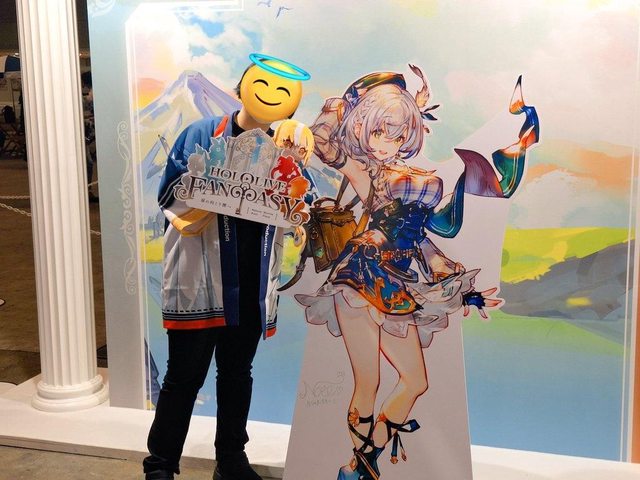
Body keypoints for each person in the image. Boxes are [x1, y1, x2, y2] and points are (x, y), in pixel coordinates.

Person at [295, 68, 539, 480]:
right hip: (359, 275)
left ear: (409, 134)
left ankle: (360, 463)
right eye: (378, 132)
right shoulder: (364, 171)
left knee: (414, 381)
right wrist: (346, 99)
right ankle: (360, 471)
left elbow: (421, 242)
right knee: (368, 382)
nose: (385, 143)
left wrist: (462, 289)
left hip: (394, 282)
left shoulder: (420, 181)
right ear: (363, 129)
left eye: (395, 134)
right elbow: (322, 143)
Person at [143, 54, 310, 480]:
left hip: (251, 283)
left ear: (292, 105)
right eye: (262, 84)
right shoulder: (201, 134)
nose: (271, 96)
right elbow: (169, 196)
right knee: (183, 377)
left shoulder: (285, 151)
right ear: (242, 88)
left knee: (237, 374)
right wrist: (213, 193)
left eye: (283, 92)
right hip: (201, 279)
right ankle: (160, 465)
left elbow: (294, 204)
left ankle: (231, 460)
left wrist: (296, 205)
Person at [81, 71, 98, 202]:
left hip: (88, 133)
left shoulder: (91, 95)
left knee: (89, 163)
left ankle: (88, 190)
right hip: (86, 133)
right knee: (88, 163)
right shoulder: (90, 96)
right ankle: (87, 190)